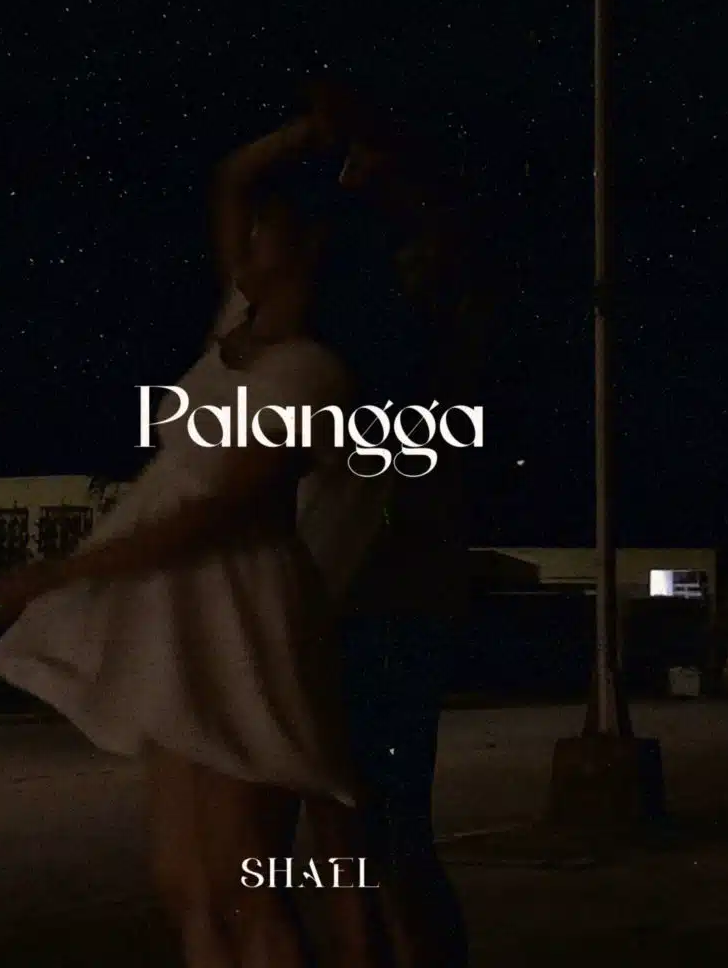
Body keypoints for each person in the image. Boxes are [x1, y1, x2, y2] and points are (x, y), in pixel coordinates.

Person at [0, 114, 400, 968]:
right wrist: (313, 131)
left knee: (249, 884)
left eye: (267, 229)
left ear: (310, 250)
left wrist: (65, 572)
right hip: (181, 608)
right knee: (186, 882)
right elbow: (231, 179)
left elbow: (218, 513)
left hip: (239, 607)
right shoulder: (235, 336)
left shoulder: (312, 374)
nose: (245, 238)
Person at [297, 80, 481, 968]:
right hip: (370, 582)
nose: (348, 179)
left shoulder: (422, 296)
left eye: (362, 160)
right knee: (355, 832)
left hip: (387, 588)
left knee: (388, 830)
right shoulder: (402, 292)